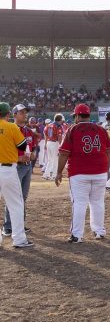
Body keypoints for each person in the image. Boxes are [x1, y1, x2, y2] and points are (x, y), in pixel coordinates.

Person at [55, 103, 110, 243]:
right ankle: (99, 231)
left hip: (79, 172)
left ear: (78, 116)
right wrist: (107, 169)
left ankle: (77, 235)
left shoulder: (72, 129)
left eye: (75, 116)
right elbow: (108, 151)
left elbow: (63, 153)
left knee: (79, 203)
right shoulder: (101, 129)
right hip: (100, 172)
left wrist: (58, 172)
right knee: (97, 202)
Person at [0, 102, 33, 248]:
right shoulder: (11, 126)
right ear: (8, 114)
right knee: (16, 205)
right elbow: (22, 146)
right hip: (8, 170)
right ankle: (19, 239)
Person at [44, 113, 64, 180]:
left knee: (50, 160)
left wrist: (45, 143)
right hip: (55, 143)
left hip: (49, 142)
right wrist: (60, 146)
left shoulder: (49, 125)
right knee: (56, 160)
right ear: (59, 120)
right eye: (61, 120)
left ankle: (46, 174)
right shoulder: (58, 126)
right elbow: (59, 137)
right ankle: (54, 175)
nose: (62, 121)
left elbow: (45, 134)